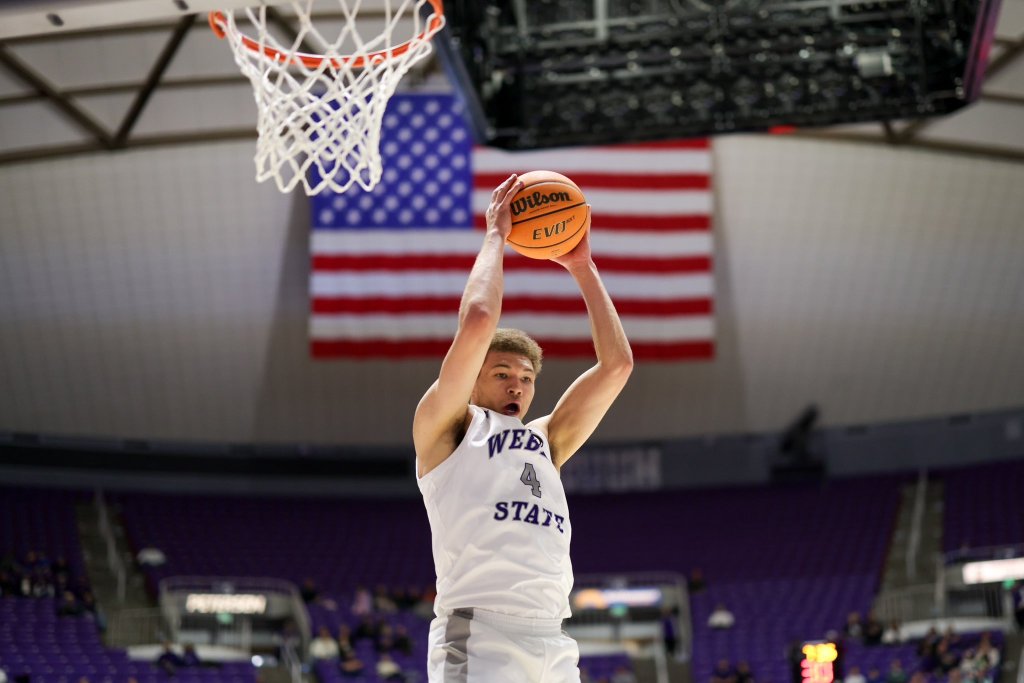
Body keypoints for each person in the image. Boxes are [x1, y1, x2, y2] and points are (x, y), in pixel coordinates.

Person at [413, 174, 633, 683]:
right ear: (471, 382)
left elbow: (617, 365)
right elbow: (479, 319)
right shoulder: (447, 427)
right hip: (479, 632)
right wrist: (496, 235)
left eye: (527, 378)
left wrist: (582, 265)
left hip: (552, 637)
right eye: (502, 374)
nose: (518, 386)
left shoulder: (547, 440)